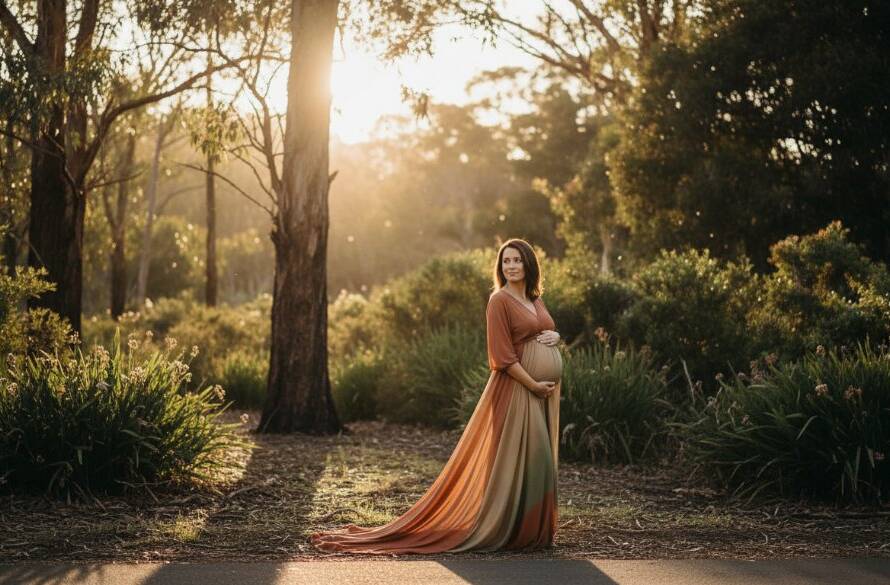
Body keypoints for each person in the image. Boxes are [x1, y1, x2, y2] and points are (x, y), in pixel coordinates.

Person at [310, 238, 563, 554]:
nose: (510, 266)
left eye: (517, 260)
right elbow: (503, 357)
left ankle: (530, 532)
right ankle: (513, 530)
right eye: (506, 261)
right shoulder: (499, 301)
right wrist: (533, 385)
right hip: (517, 390)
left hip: (540, 394)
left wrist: (555, 335)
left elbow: (543, 331)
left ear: (529, 264)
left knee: (537, 463)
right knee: (528, 459)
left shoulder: (535, 299)